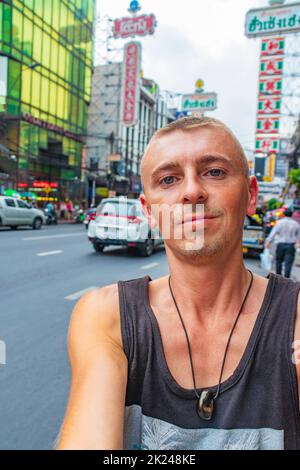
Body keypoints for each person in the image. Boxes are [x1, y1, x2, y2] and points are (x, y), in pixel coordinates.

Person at [56, 117, 300, 450]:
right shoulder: (106, 317)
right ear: (149, 212)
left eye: (214, 172)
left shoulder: (295, 318)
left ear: (250, 195)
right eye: (169, 179)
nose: (192, 191)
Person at [265, 209, 300, 278]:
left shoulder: (280, 222)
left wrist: (268, 242)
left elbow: (273, 233)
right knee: (288, 263)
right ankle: (286, 278)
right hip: (290, 246)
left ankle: (278, 277)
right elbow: (298, 236)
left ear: (284, 214)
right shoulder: (296, 224)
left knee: (278, 261)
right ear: (291, 215)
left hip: (280, 245)